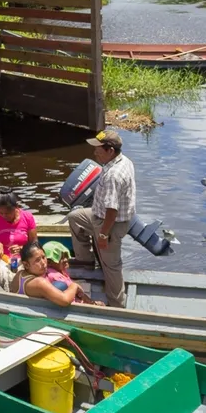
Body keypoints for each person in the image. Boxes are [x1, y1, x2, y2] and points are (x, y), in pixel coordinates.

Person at [67, 128, 135, 308]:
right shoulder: (121, 160)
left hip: (110, 223)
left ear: (110, 150)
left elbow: (112, 210)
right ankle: (86, 261)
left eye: (98, 148)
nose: (94, 152)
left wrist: (103, 235)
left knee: (111, 266)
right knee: (75, 217)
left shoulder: (114, 175)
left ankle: (117, 305)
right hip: (97, 215)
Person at [8, 241, 102, 307]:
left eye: (43, 257)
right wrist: (74, 286)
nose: (44, 263)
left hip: (27, 308)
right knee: (61, 286)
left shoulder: (19, 274)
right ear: (26, 264)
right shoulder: (39, 283)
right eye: (37, 260)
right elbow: (65, 300)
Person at [0, 189, 38, 258]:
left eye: (7, 213)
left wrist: (22, 249)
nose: (4, 216)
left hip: (23, 259)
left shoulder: (27, 217)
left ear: (16, 207)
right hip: (0, 259)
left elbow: (35, 244)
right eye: (1, 213)